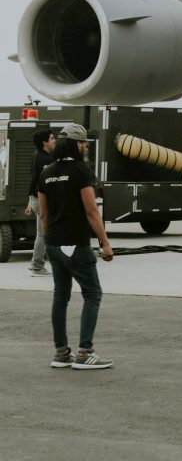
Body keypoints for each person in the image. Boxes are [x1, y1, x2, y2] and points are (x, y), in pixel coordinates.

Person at [38, 123, 114, 370]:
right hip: (76, 244)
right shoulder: (81, 171)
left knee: (61, 296)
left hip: (54, 243)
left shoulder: (46, 172)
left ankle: (61, 353)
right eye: (83, 144)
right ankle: (85, 353)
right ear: (77, 144)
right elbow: (92, 210)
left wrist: (50, 241)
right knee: (93, 294)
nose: (85, 147)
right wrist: (105, 243)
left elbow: (44, 214)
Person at [25, 126, 56, 275]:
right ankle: (37, 265)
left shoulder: (36, 155)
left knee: (42, 233)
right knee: (44, 233)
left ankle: (37, 264)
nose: (54, 140)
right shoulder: (46, 159)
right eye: (51, 138)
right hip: (42, 199)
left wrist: (30, 201)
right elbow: (46, 183)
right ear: (45, 142)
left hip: (35, 198)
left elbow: (33, 180)